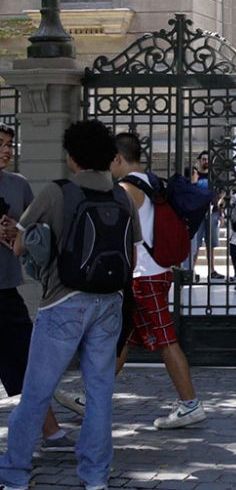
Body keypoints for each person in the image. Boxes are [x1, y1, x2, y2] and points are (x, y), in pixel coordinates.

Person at [0, 120, 142, 490]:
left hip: (63, 301)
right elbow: (131, 252)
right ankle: (95, 476)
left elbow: (19, 246)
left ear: (72, 157)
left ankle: (14, 474)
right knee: (99, 395)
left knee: (36, 392)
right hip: (109, 303)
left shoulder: (56, 192)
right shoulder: (122, 195)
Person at [110, 132, 209, 427]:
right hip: (156, 271)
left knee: (165, 340)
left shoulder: (126, 189)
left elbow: (121, 234)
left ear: (118, 158)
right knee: (122, 336)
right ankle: (93, 396)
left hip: (144, 274)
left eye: (108, 162)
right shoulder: (154, 181)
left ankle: (190, 404)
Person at [0, 124, 71, 452]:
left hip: (5, 288)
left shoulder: (18, 185)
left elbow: (35, 232)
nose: (6, 150)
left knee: (28, 360)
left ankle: (51, 432)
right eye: (1, 144)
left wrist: (17, 232)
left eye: (10, 144)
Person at [185, 150, 223, 281]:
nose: (206, 161)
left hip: (212, 212)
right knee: (195, 243)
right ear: (199, 160)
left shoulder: (214, 176)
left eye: (208, 159)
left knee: (211, 244)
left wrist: (220, 209)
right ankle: (191, 269)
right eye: (203, 159)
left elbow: (221, 192)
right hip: (197, 213)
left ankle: (212, 270)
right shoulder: (194, 174)